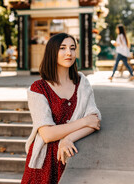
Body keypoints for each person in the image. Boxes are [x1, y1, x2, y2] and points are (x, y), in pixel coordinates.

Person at [21, 33, 101, 184]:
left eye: (72, 48)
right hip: (44, 163)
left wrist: (67, 138)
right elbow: (47, 134)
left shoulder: (82, 83)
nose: (68, 53)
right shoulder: (38, 88)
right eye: (62, 48)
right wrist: (84, 121)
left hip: (70, 153)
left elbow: (94, 122)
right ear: (52, 52)